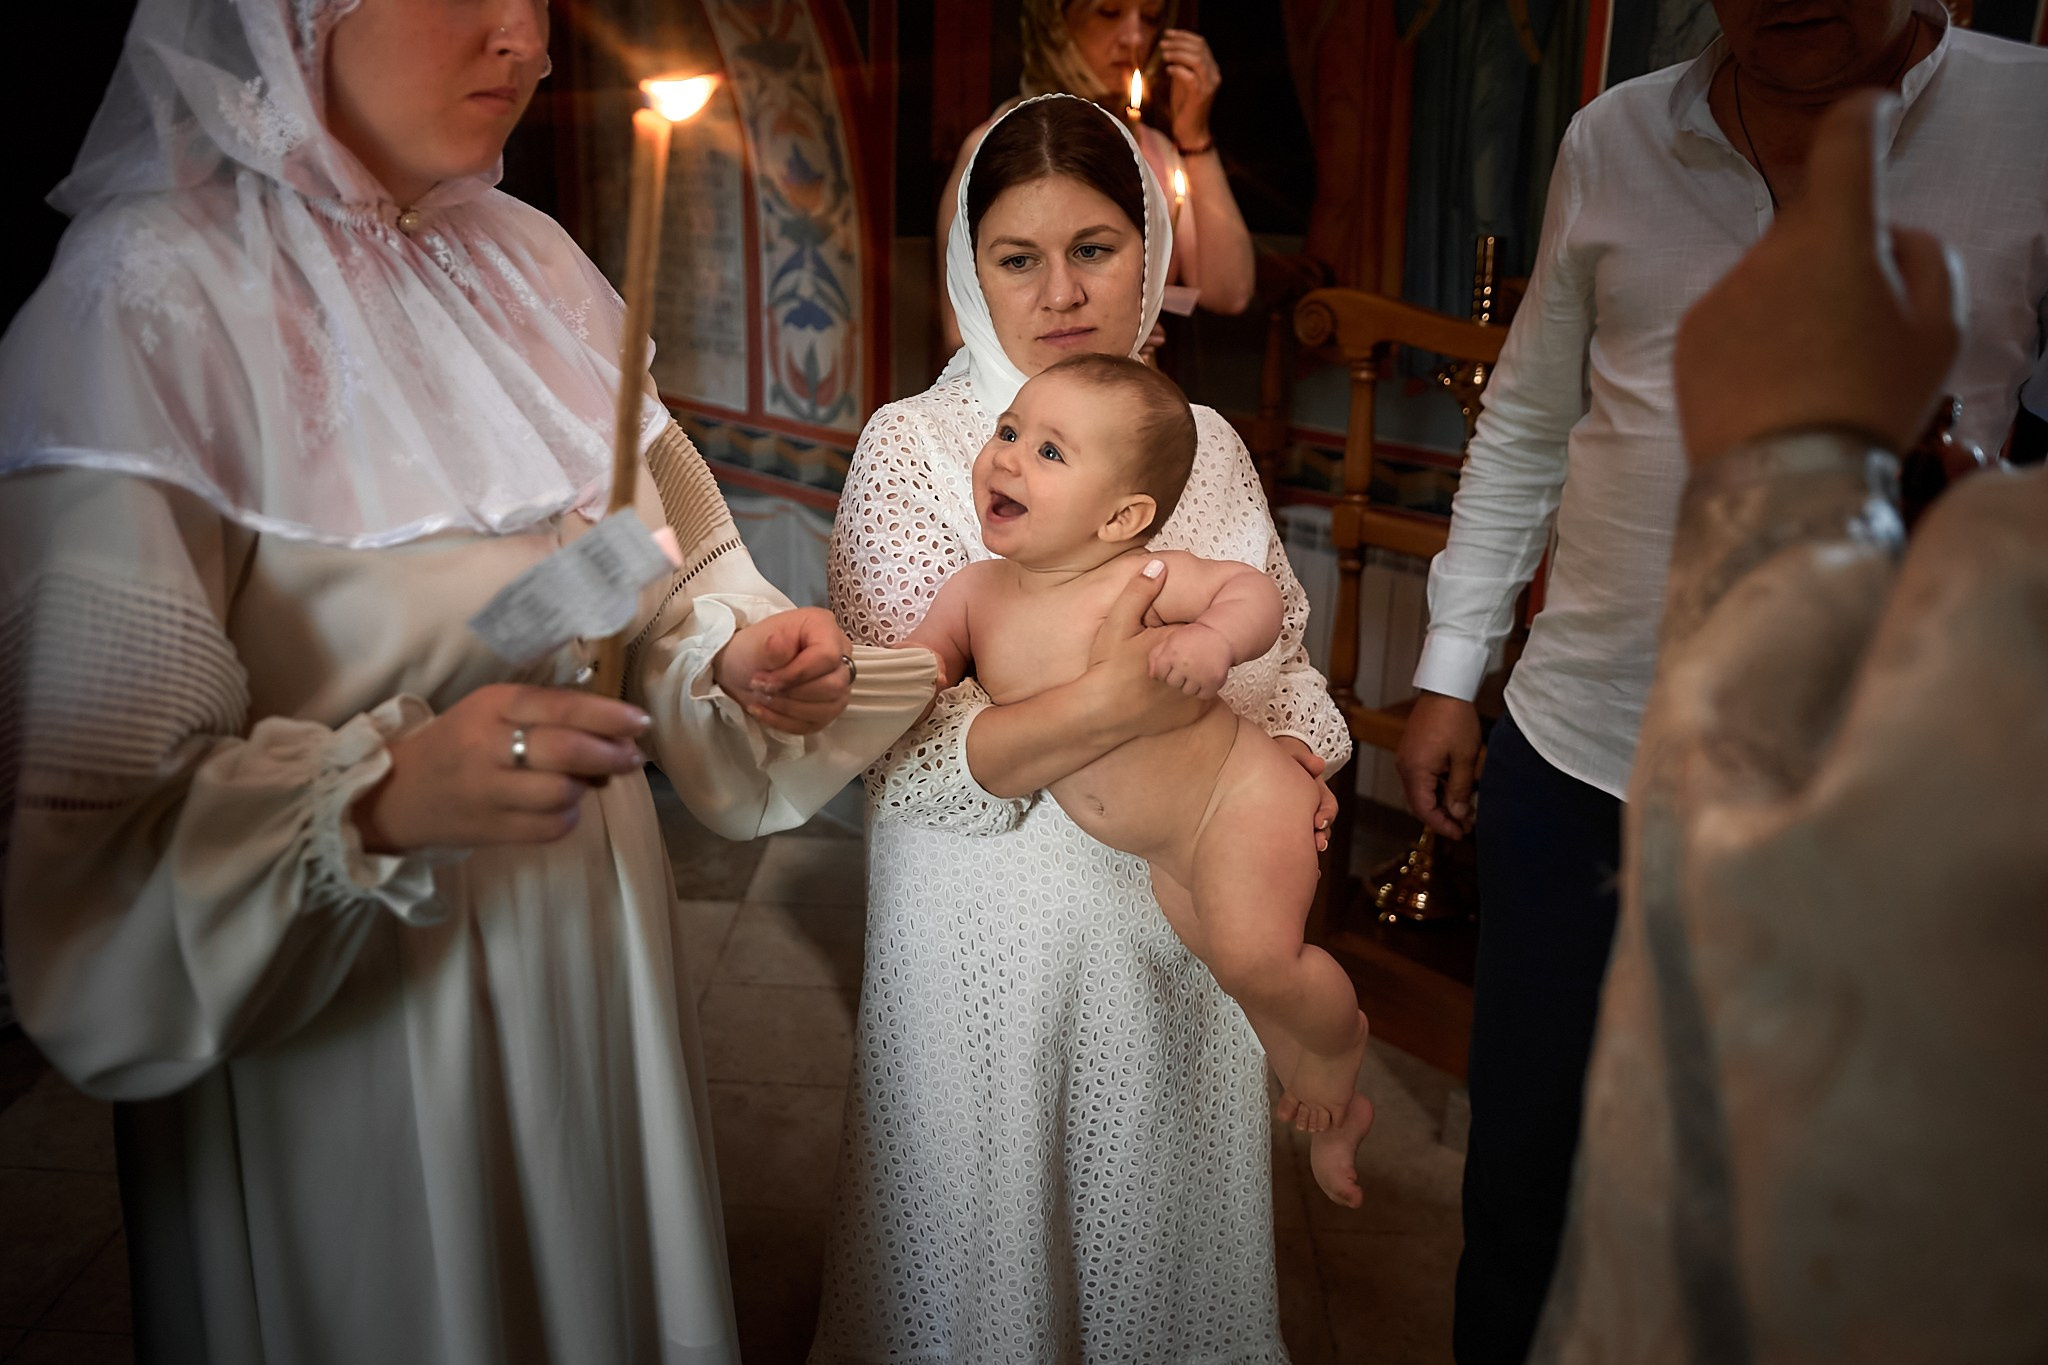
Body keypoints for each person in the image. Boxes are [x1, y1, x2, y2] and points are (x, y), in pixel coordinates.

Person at [0, 1, 937, 1361]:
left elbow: (642, 574)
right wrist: (379, 801)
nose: (530, 41)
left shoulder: (533, 265)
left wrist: (728, 652)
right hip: (361, 1006)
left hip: (587, 934)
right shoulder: (144, 298)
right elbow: (90, 855)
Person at [1389, 3, 2048, 1358]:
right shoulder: (1613, 136)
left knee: (1799, 1240)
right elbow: (1526, 417)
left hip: (1874, 803)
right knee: (1530, 1188)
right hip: (1580, 761)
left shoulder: (2030, 122)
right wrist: (1453, 673)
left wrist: (1971, 509)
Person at [811, 94, 1350, 1360]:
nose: (1061, 291)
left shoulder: (1199, 441)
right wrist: (1114, 702)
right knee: (983, 1263)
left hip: (1176, 928)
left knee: (1152, 1267)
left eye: (1096, 248)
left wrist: (1304, 759)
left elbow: (1280, 652)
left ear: (1150, 251)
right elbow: (907, 763)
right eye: (1017, 257)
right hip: (984, 938)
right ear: (966, 267)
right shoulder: (920, 447)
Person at [899, 353, 1376, 1207]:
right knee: (1239, 969)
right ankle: (1306, 1070)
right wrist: (890, 677)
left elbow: (1250, 591)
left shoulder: (1141, 577)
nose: (1007, 455)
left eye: (1049, 452)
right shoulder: (973, 593)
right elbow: (923, 660)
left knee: (1255, 956)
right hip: (1167, 848)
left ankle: (1339, 1059)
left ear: (1124, 515)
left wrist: (1216, 641)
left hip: (1240, 800)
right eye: (1008, 431)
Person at [935, 0, 1255, 352]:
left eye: (1150, 19)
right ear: (1055, 21)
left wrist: (1194, 135)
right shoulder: (992, 149)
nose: (1134, 37)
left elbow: (1230, 293)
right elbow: (959, 335)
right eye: (1108, 12)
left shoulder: (1155, 150)